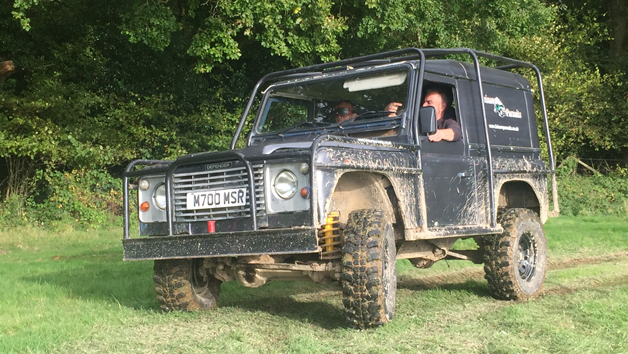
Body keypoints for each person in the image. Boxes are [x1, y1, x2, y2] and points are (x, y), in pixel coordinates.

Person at [385, 88, 462, 142]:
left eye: (429, 102)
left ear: (442, 106)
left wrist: (440, 134)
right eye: (424, 101)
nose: (424, 105)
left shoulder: (447, 122)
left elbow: (456, 132)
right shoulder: (416, 119)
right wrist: (390, 113)